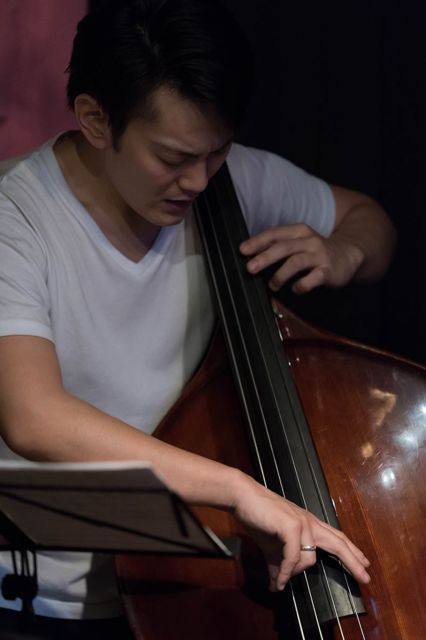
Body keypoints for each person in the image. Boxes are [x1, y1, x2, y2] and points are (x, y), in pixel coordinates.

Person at [0, 0, 396, 638]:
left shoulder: (230, 179)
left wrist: (343, 252)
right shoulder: (15, 218)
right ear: (96, 120)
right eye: (172, 157)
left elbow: (369, 220)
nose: (198, 181)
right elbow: (33, 416)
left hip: (194, 583)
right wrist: (237, 490)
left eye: (217, 152)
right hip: (41, 600)